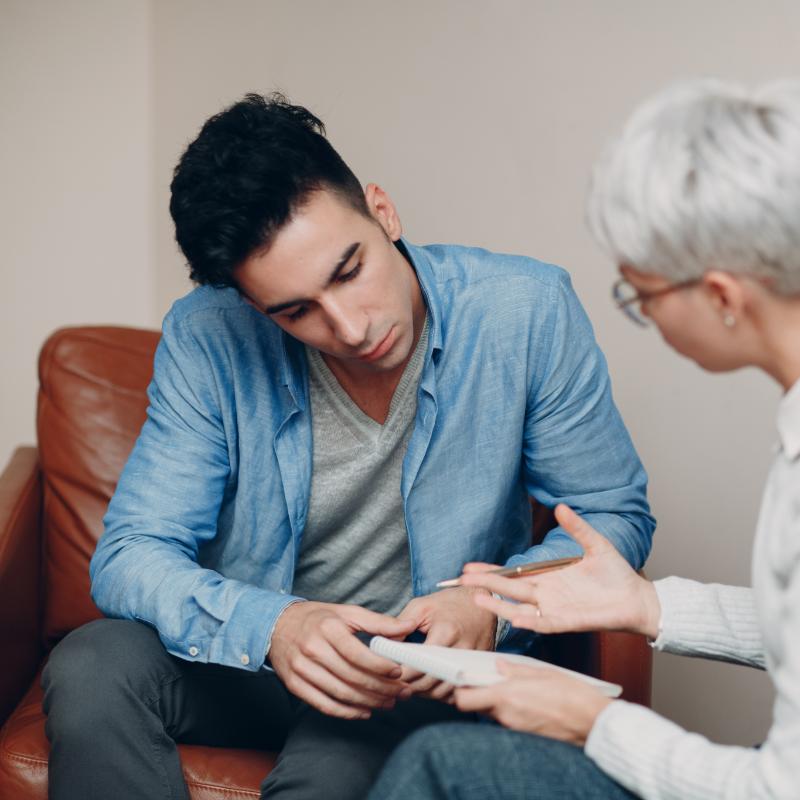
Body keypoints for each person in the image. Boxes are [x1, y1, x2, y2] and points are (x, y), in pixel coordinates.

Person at [367, 79, 800, 799]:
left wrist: (589, 720)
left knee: (441, 768)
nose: (641, 314)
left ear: (720, 296)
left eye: (640, 295)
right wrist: (650, 608)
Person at [39, 93, 654, 800]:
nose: (352, 328)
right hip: (250, 654)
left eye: (349, 270)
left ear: (382, 211)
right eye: (296, 311)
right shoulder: (207, 337)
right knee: (91, 664)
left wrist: (488, 600)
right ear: (251, 307)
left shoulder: (526, 311)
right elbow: (129, 555)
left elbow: (613, 518)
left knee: (335, 774)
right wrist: (273, 624)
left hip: (408, 673)